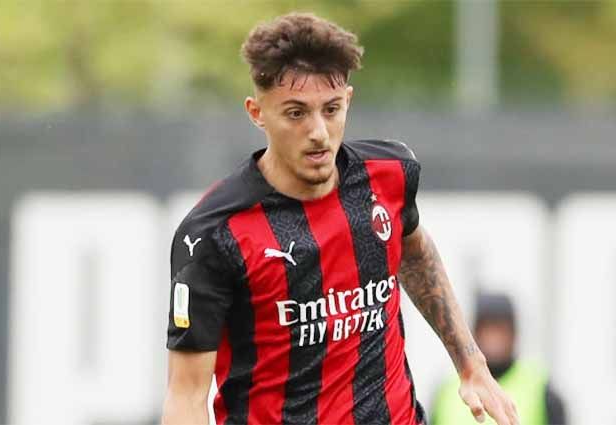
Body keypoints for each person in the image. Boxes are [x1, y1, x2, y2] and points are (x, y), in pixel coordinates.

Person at [161, 13, 518, 425]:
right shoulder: (212, 233)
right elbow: (186, 395)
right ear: (257, 112)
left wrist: (471, 364)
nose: (318, 131)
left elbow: (416, 254)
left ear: (347, 99)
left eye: (330, 110)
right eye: (296, 113)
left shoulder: (390, 175)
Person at [431, 293, 566, 425]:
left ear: (514, 334)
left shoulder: (540, 388)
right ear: (473, 334)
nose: (494, 339)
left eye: (500, 329)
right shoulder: (446, 390)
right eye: (486, 329)